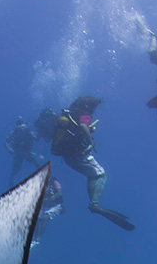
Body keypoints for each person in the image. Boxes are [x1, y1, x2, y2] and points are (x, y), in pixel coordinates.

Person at [50, 96, 135, 232]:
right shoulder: (84, 114)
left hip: (68, 157)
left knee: (92, 175)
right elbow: (83, 125)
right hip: (77, 155)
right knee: (100, 175)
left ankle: (93, 203)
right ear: (89, 106)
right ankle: (94, 204)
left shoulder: (70, 113)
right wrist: (90, 141)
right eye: (94, 107)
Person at [5, 116, 44, 183]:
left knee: (15, 170)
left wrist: (10, 150)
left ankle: (11, 181)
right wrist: (40, 131)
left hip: (18, 153)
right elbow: (36, 138)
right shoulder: (27, 130)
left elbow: (5, 142)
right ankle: (44, 174)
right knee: (35, 163)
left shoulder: (14, 132)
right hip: (26, 152)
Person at [33, 178, 64, 244]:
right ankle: (35, 237)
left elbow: (60, 193)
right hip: (46, 205)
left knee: (45, 217)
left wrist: (52, 197)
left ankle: (39, 237)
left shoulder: (54, 182)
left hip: (56, 205)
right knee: (37, 219)